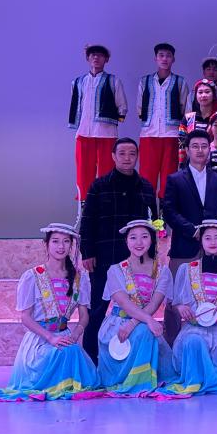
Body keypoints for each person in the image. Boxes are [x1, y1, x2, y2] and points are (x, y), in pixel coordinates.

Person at [0, 223, 99, 402]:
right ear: (46, 244)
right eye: (55, 241)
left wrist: (75, 335)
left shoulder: (80, 278)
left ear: (71, 246)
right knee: (58, 354)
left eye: (66, 241)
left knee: (70, 352)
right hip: (40, 339)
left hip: (65, 337)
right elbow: (25, 317)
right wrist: (51, 338)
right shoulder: (32, 276)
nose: (61, 246)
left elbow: (84, 316)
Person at [79, 137, 156, 362]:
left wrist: (152, 257)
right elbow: (87, 221)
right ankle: (91, 360)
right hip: (105, 257)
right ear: (113, 156)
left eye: (132, 154)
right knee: (97, 309)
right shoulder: (99, 186)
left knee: (136, 309)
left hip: (138, 262)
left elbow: (154, 225)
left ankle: (133, 361)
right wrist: (87, 253)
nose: (127, 158)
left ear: (137, 156)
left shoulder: (146, 187)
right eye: (121, 153)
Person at [158, 218, 217, 397]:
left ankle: (210, 379)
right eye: (208, 238)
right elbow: (176, 303)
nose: (213, 242)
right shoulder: (187, 269)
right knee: (193, 342)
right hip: (194, 329)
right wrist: (181, 308)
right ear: (201, 241)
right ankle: (194, 380)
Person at [161, 128, 217, 341]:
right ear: (187, 150)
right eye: (195, 146)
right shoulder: (175, 179)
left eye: (204, 146)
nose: (200, 150)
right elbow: (169, 211)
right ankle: (173, 346)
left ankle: (208, 342)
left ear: (210, 149)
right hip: (184, 247)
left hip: (213, 250)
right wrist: (193, 230)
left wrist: (216, 235)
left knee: (211, 296)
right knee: (176, 299)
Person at [96, 219, 176, 396]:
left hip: (141, 324)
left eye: (144, 237)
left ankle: (142, 382)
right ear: (126, 241)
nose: (139, 242)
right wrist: (147, 321)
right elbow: (123, 302)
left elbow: (154, 304)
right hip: (118, 324)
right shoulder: (115, 270)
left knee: (144, 332)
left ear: (152, 240)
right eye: (133, 237)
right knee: (145, 331)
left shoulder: (162, 271)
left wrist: (133, 323)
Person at [70, 44, 128, 200]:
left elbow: (122, 106)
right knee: (83, 172)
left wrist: (117, 118)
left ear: (106, 59)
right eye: (93, 55)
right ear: (88, 58)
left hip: (106, 133)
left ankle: (106, 203)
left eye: (100, 55)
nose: (96, 57)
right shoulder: (78, 82)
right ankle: (84, 205)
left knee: (107, 171)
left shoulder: (113, 81)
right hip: (83, 133)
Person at [136, 43, 189, 198]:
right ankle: (148, 210)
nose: (164, 59)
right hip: (148, 134)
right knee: (147, 175)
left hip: (172, 135)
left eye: (168, 56)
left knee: (169, 176)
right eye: (161, 55)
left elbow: (185, 108)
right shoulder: (145, 81)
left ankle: (165, 211)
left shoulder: (180, 82)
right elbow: (139, 108)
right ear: (155, 58)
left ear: (173, 59)